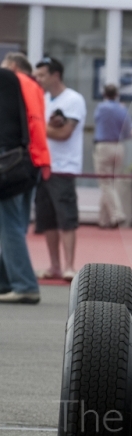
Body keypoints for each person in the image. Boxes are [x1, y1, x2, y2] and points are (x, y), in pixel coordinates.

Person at [33, 57, 86, 280]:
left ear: (56, 75)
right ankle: (54, 265)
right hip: (42, 164)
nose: (38, 79)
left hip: (63, 167)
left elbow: (64, 134)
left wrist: (38, 128)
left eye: (42, 75)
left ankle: (69, 265)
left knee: (66, 218)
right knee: (47, 219)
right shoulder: (42, 98)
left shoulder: (73, 100)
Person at [0, 66, 50, 303]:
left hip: (7, 161)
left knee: (9, 226)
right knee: (14, 226)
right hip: (26, 160)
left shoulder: (8, 80)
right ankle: (7, 281)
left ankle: (23, 284)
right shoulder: (29, 86)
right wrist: (43, 161)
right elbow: (36, 124)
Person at [93, 84, 132, 228]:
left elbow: (97, 121)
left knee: (105, 183)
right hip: (119, 146)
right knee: (111, 183)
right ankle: (103, 220)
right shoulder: (123, 109)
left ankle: (117, 215)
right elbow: (128, 131)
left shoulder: (101, 108)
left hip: (103, 145)